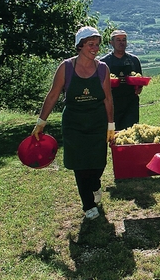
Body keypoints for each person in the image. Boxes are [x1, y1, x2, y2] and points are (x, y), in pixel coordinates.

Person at [32, 26, 115, 220]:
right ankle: (88, 205)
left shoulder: (102, 68)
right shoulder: (66, 67)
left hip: (97, 122)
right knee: (80, 164)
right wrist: (41, 122)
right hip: (74, 124)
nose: (95, 48)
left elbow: (108, 99)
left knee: (98, 162)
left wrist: (111, 125)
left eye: (97, 44)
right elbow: (53, 95)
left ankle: (95, 184)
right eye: (90, 44)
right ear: (80, 46)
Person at [100, 30, 143, 130]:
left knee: (130, 132)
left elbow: (140, 81)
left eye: (124, 40)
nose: (121, 42)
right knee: (113, 133)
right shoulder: (104, 62)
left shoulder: (134, 60)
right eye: (118, 40)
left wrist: (139, 87)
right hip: (112, 103)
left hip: (130, 104)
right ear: (111, 43)